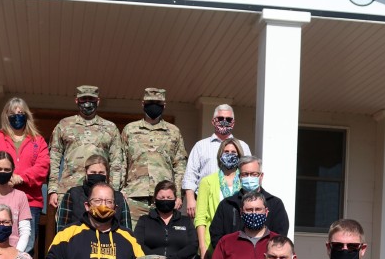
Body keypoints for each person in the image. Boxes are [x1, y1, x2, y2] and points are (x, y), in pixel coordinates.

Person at [0, 97, 49, 254]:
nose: (17, 116)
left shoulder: (38, 141)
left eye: (20, 112)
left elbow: (43, 166)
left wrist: (21, 177)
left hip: (30, 200)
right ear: (6, 116)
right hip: (0, 197)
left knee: (27, 245)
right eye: (12, 113)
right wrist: (4, 178)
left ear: (27, 115)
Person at [48, 84, 122, 209]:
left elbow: (116, 163)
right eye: (84, 100)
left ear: (98, 101)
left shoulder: (110, 127)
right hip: (68, 188)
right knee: (68, 226)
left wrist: (113, 191)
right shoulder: (64, 125)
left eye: (91, 100)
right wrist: (53, 189)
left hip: (100, 192)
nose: (87, 103)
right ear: (77, 101)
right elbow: (54, 158)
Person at [120, 88, 187, 225]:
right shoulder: (130, 130)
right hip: (134, 196)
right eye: (150, 102)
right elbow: (121, 162)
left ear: (164, 106)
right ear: (143, 103)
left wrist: (178, 195)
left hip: (164, 197)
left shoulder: (173, 132)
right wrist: (120, 191)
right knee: (132, 238)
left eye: (158, 103)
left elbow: (180, 165)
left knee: (162, 238)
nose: (154, 106)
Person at [182, 104, 251, 219]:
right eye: (220, 119)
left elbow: (249, 172)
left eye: (228, 119)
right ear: (213, 121)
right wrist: (190, 200)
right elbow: (190, 174)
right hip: (206, 200)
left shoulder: (243, 146)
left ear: (233, 123)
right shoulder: (201, 146)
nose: (224, 122)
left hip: (236, 201)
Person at [134, 180, 196, 259]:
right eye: (162, 197)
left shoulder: (185, 222)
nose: (165, 200)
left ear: (175, 199)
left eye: (169, 197)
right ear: (155, 199)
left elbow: (193, 245)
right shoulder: (144, 221)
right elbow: (137, 244)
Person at [210, 155, 289, 250]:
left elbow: (280, 237)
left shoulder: (275, 204)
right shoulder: (227, 204)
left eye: (254, 174)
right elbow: (216, 235)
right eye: (245, 174)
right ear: (239, 177)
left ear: (261, 176)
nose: (249, 177)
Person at [55, 153, 132, 232]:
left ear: (107, 174)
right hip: (78, 242)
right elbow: (61, 228)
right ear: (86, 172)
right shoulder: (72, 194)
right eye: (93, 172)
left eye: (101, 173)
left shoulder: (118, 198)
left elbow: (127, 230)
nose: (97, 175)